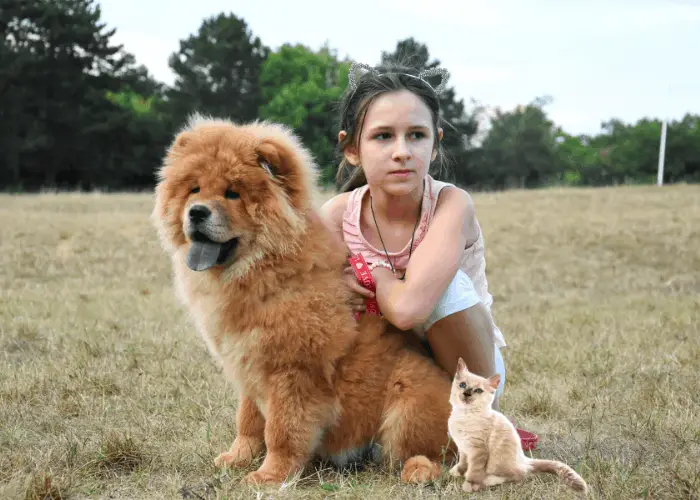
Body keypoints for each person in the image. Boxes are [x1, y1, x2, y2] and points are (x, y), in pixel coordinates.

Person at [320, 61, 509, 410]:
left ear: (435, 144)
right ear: (351, 148)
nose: (402, 151)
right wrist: (334, 288)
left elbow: (408, 311)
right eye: (383, 136)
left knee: (448, 289)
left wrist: (371, 273)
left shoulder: (451, 204)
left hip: (463, 369)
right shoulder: (336, 216)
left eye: (417, 135)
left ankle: (476, 418)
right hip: (382, 366)